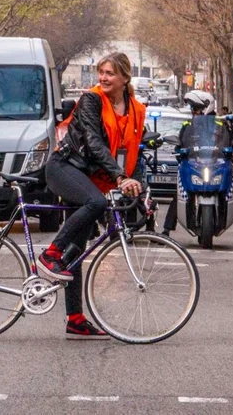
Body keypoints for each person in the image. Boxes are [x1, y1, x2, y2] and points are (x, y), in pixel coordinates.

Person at [37, 52, 146, 339]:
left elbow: (134, 151)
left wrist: (140, 185)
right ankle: (50, 254)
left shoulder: (135, 109)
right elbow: (94, 144)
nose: (103, 78)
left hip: (90, 178)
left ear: (125, 77)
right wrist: (119, 177)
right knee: (95, 203)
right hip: (64, 167)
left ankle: (75, 319)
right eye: (102, 72)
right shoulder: (91, 100)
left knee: (78, 249)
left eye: (110, 73)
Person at [161, 91, 231, 237]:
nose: (194, 111)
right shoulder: (188, 124)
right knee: (180, 192)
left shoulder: (220, 125)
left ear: (206, 107)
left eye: (196, 108)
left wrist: (228, 149)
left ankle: (222, 219)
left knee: (225, 190)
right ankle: (166, 229)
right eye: (193, 108)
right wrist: (180, 150)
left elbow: (226, 142)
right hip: (194, 164)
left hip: (214, 164)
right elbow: (180, 143)